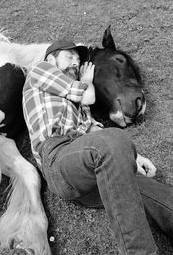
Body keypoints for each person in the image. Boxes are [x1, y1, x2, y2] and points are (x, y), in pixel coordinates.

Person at [22, 39, 173, 255]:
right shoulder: (40, 70)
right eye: (69, 56)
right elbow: (88, 96)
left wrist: (134, 157)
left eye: (77, 57)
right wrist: (87, 81)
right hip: (57, 159)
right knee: (113, 139)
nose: (75, 61)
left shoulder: (74, 101)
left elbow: (93, 130)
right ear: (51, 58)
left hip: (89, 167)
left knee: (157, 194)